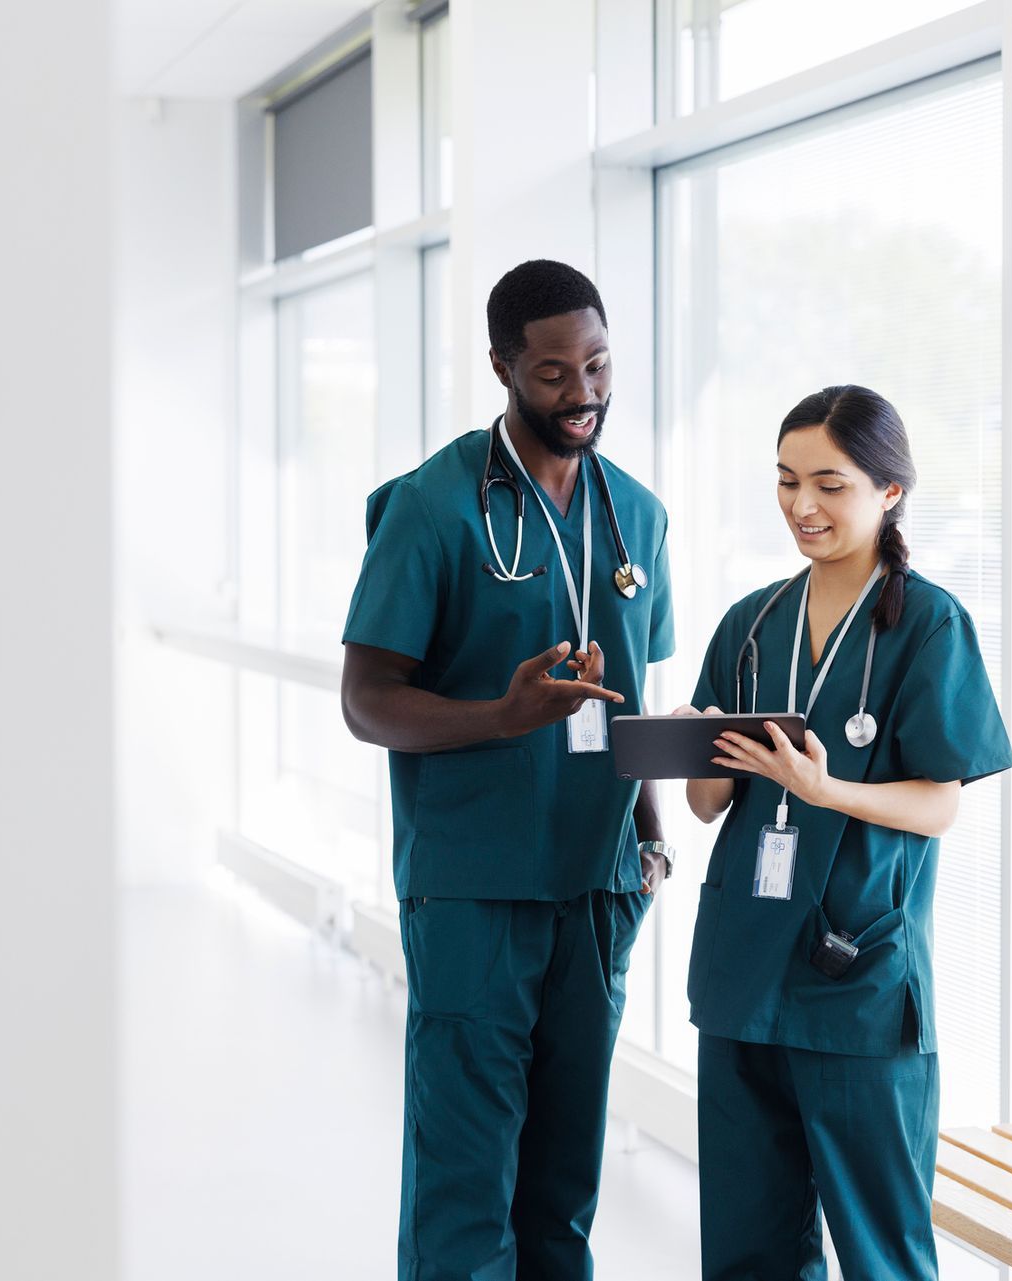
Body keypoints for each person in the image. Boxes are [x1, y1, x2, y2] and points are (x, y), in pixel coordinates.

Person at [340, 259, 678, 1281]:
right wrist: (502, 715)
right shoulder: (435, 507)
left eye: (599, 365)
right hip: (475, 890)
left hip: (596, 884)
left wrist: (652, 842)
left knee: (565, 1184)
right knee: (464, 1178)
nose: (583, 393)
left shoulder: (639, 518)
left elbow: (631, 698)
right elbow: (366, 700)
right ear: (501, 367)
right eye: (552, 373)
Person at [675, 385, 1012, 1280]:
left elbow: (941, 804)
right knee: (748, 1248)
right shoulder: (750, 624)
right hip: (745, 970)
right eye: (786, 482)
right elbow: (708, 806)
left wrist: (826, 790)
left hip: (855, 978)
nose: (802, 506)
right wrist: (692, 747)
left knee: (880, 1249)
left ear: (890, 491)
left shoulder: (929, 624)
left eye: (830, 483)